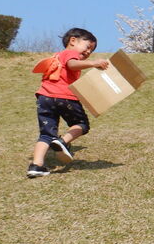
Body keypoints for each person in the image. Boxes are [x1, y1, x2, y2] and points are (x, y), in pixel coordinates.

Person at [26, 28, 110, 178]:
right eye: (88, 46)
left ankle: (36, 165)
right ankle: (63, 142)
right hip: (65, 97)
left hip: (44, 98)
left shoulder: (57, 56)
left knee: (46, 134)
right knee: (82, 124)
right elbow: (71, 64)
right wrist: (93, 63)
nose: (88, 52)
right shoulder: (70, 54)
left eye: (91, 50)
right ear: (73, 41)